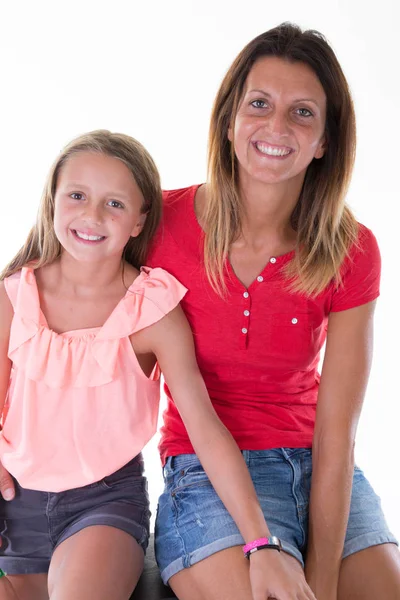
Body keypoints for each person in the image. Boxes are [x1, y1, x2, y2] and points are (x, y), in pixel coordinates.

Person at [0, 130, 316, 600]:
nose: (91, 215)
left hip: (100, 506)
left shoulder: (152, 309)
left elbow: (205, 428)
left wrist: (259, 540)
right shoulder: (14, 293)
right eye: (78, 196)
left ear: (139, 220)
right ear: (52, 201)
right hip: (14, 499)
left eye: (114, 204)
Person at [147, 23, 400, 600]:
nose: (277, 126)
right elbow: (39, 293)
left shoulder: (351, 248)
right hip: (203, 474)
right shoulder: (158, 222)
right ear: (230, 119)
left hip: (317, 468)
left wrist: (325, 582)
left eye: (303, 112)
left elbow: (338, 434)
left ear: (325, 141)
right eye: (259, 104)